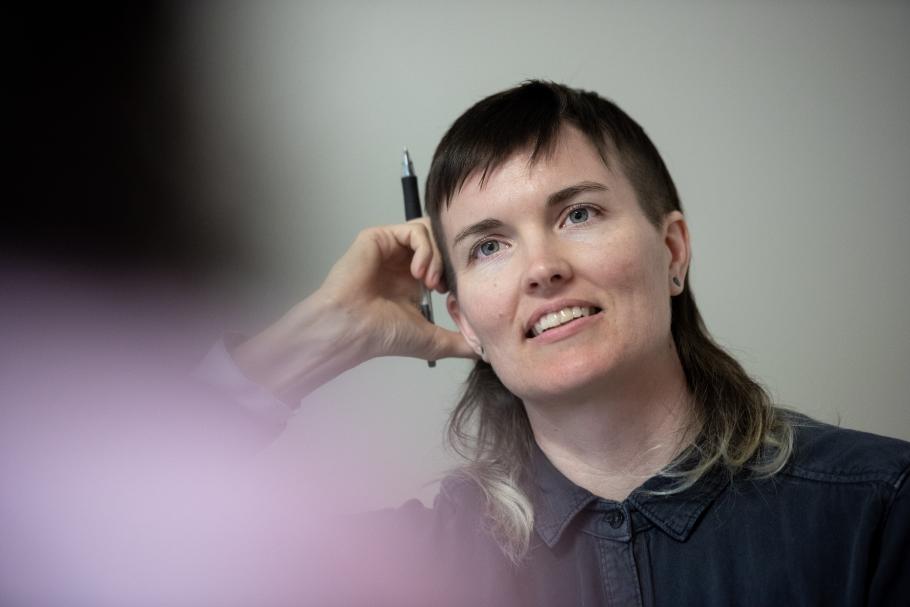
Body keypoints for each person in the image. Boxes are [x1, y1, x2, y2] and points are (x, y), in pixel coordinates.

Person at [207, 81, 909, 605]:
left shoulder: (879, 511)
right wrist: (311, 340)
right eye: (488, 245)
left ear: (672, 250)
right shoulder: (414, 567)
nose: (542, 267)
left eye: (578, 212)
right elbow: (116, 550)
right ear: (464, 319)